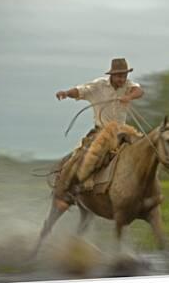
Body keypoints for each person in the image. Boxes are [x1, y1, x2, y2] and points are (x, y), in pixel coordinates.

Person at [52, 58, 144, 207]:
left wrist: (128, 97)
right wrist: (66, 93)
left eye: (124, 76)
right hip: (101, 131)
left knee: (144, 151)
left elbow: (139, 90)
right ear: (112, 75)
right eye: (119, 76)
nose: (122, 79)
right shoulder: (98, 86)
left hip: (122, 132)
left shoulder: (128, 86)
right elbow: (80, 90)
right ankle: (70, 190)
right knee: (82, 157)